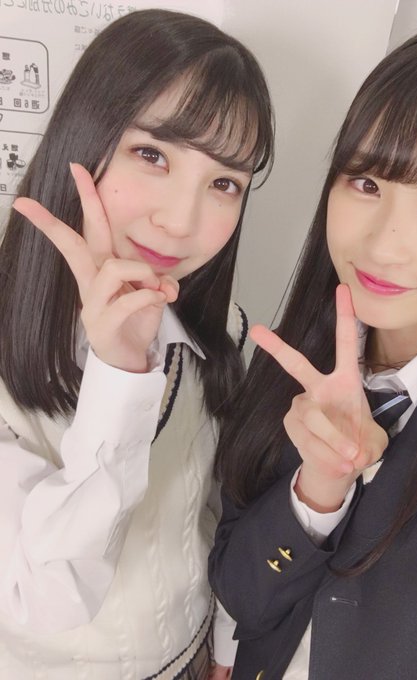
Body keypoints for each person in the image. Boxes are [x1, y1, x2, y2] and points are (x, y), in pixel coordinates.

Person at [209, 18, 417, 680]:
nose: (382, 243)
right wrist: (318, 491)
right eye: (368, 183)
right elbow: (243, 597)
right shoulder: (289, 362)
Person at [0, 9, 273, 680]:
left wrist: (227, 645)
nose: (181, 221)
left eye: (224, 183)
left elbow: (225, 509)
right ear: (84, 134)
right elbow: (45, 596)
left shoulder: (225, 330)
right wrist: (120, 375)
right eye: (153, 154)